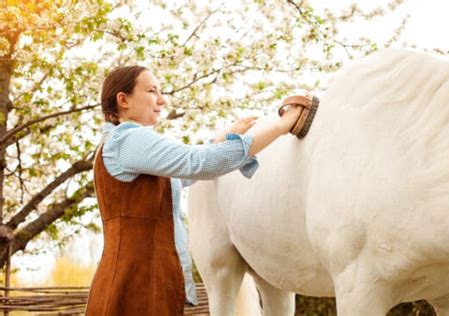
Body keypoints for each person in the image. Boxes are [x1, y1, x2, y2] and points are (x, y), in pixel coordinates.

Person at [85, 65, 304, 315]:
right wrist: (281, 126)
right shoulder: (128, 139)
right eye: (151, 91)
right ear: (123, 99)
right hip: (138, 283)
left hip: (140, 278)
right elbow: (196, 163)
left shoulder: (119, 144)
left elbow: (180, 177)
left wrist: (219, 140)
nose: (162, 100)